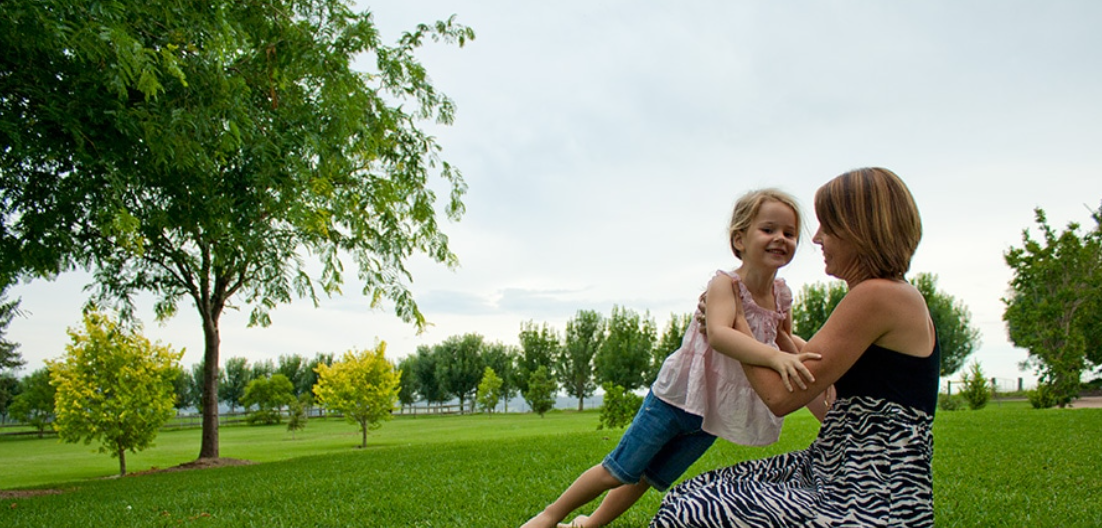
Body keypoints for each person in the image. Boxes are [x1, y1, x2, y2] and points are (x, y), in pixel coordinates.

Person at [521, 188, 831, 528]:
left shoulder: (781, 293)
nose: (780, 239)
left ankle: (591, 523)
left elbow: (783, 336)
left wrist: (808, 360)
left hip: (713, 412)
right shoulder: (725, 285)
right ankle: (548, 517)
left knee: (648, 478)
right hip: (678, 396)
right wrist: (775, 359)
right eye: (769, 229)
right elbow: (721, 334)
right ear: (739, 239)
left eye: (789, 233)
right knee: (619, 470)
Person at [651, 167, 939, 527]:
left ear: (859, 230)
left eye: (828, 226)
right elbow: (824, 401)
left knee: (690, 508)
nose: (816, 239)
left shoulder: (877, 296)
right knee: (696, 491)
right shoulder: (889, 296)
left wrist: (737, 318)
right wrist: (770, 333)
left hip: (867, 495)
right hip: (835, 470)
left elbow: (780, 397)